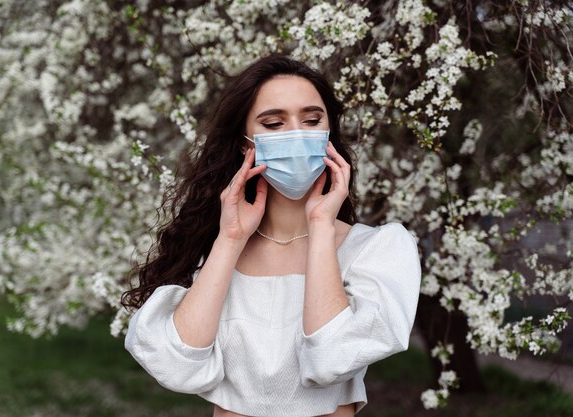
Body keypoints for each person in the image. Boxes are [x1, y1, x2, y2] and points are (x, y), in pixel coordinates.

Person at [121, 54, 422, 417]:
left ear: (329, 134)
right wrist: (230, 240)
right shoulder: (216, 252)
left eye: (312, 120)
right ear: (245, 144)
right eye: (274, 123)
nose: (297, 134)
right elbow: (179, 364)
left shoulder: (375, 250)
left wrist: (322, 227)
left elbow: (330, 356)